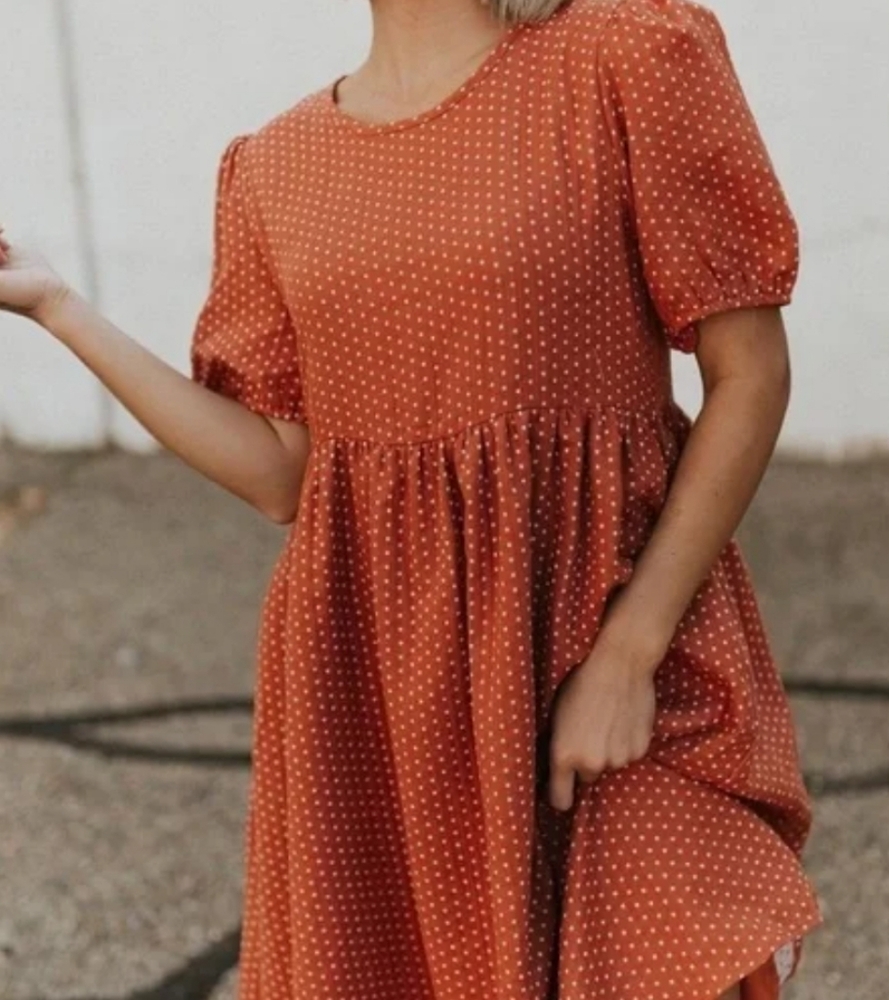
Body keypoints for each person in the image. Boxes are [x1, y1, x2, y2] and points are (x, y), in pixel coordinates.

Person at [0, 0, 823, 995]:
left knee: (671, 942)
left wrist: (629, 652)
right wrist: (57, 308)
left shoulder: (626, 53)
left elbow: (750, 374)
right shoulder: (276, 165)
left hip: (606, 628)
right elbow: (277, 472)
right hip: (381, 687)